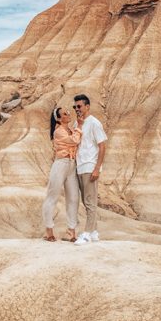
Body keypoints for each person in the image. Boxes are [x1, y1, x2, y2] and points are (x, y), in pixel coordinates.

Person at [72, 94, 107, 245]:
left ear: (87, 106)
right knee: (87, 202)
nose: (77, 109)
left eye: (79, 106)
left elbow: (102, 146)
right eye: (75, 107)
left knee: (90, 201)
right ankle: (94, 232)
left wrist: (97, 168)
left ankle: (86, 234)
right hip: (79, 167)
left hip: (90, 165)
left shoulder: (94, 123)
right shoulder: (77, 124)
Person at [42, 107, 82, 242]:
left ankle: (71, 232)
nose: (68, 114)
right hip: (61, 164)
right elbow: (74, 141)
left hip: (71, 164)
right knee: (52, 197)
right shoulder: (59, 131)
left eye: (68, 113)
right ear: (58, 118)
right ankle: (49, 231)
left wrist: (76, 129)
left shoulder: (70, 129)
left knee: (73, 198)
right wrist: (79, 127)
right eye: (65, 114)